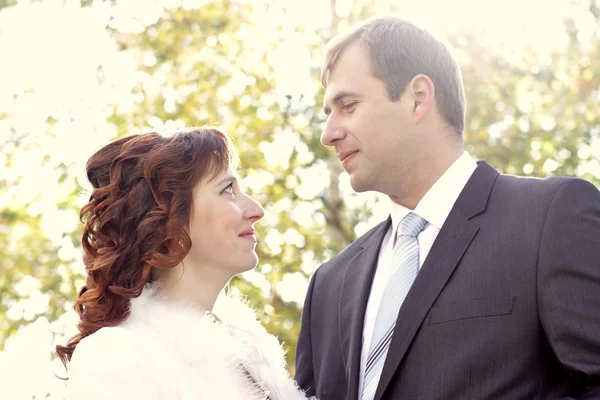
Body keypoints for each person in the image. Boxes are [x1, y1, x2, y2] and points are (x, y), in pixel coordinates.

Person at [295, 16, 600, 400]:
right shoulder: (328, 285)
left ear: (418, 97)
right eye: (328, 114)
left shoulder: (548, 220)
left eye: (348, 105)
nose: (328, 134)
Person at [57, 128, 310, 400]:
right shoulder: (118, 355)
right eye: (227, 190)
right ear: (167, 222)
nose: (256, 211)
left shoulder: (253, 354)